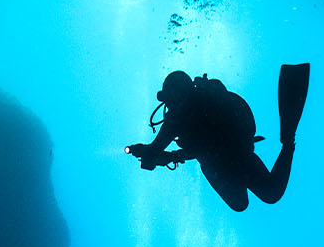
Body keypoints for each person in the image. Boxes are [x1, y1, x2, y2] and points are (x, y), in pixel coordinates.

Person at [126, 64, 310, 211]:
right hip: (233, 155)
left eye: (169, 97)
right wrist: (161, 155)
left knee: (250, 200)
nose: (169, 103)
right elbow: (186, 147)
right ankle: (288, 141)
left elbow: (160, 148)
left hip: (230, 155)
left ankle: (288, 142)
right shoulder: (193, 105)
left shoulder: (179, 115)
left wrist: (154, 153)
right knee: (255, 198)